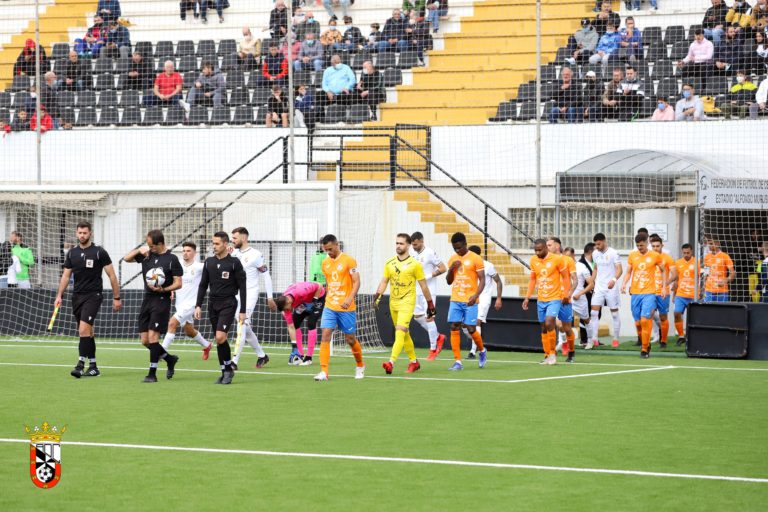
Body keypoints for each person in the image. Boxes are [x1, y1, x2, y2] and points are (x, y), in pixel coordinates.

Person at [54, 221, 121, 378]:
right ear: (76, 233)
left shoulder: (99, 252)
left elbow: (112, 275)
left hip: (93, 295)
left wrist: (116, 297)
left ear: (90, 233)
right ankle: (94, 367)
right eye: (80, 233)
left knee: (83, 329)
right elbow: (65, 276)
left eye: (85, 233)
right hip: (77, 296)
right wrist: (59, 295)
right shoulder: (72, 253)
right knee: (88, 332)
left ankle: (79, 365)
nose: (82, 235)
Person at [124, 230, 183, 383]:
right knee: (145, 341)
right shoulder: (147, 255)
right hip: (147, 299)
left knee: (153, 337)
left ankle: (152, 373)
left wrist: (164, 289)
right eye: (148, 245)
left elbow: (178, 283)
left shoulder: (171, 259)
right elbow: (126, 259)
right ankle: (169, 359)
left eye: (152, 246)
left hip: (161, 299)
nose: (150, 248)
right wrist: (139, 249)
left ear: (160, 243)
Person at [375, 233, 436, 375]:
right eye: (397, 243)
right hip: (393, 303)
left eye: (401, 243)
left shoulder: (415, 265)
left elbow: (424, 286)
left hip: (408, 302)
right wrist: (377, 297)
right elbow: (384, 281)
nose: (398, 246)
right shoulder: (390, 263)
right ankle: (414, 362)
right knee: (404, 333)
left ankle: (391, 362)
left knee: (400, 331)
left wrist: (430, 305)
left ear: (408, 245)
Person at [194, 232, 247, 385]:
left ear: (225, 244)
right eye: (213, 243)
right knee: (220, 340)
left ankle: (228, 369)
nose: (214, 246)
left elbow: (242, 287)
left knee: (220, 337)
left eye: (217, 244)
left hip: (228, 303)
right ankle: (225, 370)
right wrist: (198, 305)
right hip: (212, 304)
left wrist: (243, 310)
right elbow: (203, 285)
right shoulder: (209, 262)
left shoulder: (234, 263)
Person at [315, 234, 366, 381]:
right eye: (326, 250)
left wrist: (349, 299)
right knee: (325, 334)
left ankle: (360, 365)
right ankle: (324, 372)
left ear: (337, 245)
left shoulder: (349, 260)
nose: (328, 252)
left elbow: (356, 281)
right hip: (330, 305)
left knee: (350, 339)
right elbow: (329, 283)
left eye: (330, 249)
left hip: (346, 307)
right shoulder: (325, 263)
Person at [230, 227, 276, 370]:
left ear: (244, 238)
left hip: (250, 294)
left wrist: (270, 297)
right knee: (245, 326)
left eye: (235, 238)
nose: (233, 240)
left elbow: (266, 275)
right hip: (235, 294)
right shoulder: (233, 253)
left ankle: (234, 361)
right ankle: (262, 355)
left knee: (242, 324)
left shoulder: (256, 255)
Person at [160, 242, 213, 359]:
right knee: (189, 331)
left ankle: (161, 353)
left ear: (194, 253)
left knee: (172, 323)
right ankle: (207, 345)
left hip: (191, 304)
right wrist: (171, 290)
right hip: (180, 303)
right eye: (184, 250)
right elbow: (173, 280)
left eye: (188, 251)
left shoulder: (199, 267)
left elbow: (215, 268)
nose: (185, 253)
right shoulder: (177, 265)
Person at [522, 239, 570, 365]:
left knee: (550, 322)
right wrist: (527, 297)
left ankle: (553, 354)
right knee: (543, 327)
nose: (538, 252)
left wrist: (566, 294)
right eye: (535, 250)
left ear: (546, 248)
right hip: (541, 299)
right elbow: (532, 279)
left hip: (555, 297)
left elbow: (566, 277)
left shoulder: (557, 259)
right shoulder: (533, 260)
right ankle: (547, 355)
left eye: (540, 250)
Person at [621, 233, 667, 359]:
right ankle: (645, 342)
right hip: (635, 293)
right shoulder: (632, 255)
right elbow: (628, 272)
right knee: (637, 323)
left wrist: (663, 287)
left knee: (645, 320)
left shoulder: (655, 256)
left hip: (649, 293)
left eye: (641, 245)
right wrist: (624, 283)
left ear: (647, 243)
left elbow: (663, 271)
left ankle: (644, 349)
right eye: (637, 246)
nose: (639, 248)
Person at [445, 232, 487, 370]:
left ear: (465, 244)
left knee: (471, 328)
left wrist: (475, 296)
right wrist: (451, 268)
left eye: (459, 247)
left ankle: (482, 350)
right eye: (454, 248)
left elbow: (482, 280)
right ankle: (458, 362)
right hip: (455, 299)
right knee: (454, 326)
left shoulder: (475, 258)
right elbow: (449, 281)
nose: (457, 250)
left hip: (470, 300)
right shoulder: (452, 259)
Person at [409, 232, 446, 360]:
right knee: (418, 317)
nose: (414, 247)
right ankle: (438, 337)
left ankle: (433, 349)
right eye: (412, 245)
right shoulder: (412, 253)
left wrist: (428, 276)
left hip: (429, 290)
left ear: (421, 241)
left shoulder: (430, 252)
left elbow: (443, 268)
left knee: (429, 318)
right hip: (415, 290)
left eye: (416, 244)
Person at [465, 246, 502, 360]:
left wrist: (499, 298)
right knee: (465, 325)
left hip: (484, 297)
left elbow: (498, 281)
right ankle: (478, 343)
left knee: (477, 322)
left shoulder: (488, 266)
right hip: (471, 297)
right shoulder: (467, 265)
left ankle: (473, 351)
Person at [275, 281, 326, 365]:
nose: (286, 311)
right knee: (295, 323)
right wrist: (294, 346)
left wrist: (314, 300)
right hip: (304, 302)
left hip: (318, 296)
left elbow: (319, 285)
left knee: (311, 323)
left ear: (288, 302)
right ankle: (300, 355)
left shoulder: (301, 291)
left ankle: (309, 357)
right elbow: (291, 327)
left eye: (286, 309)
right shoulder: (285, 304)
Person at [589, 233, 622, 349]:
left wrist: (614, 279)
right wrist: (591, 281)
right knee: (593, 313)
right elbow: (595, 268)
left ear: (604, 241)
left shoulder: (613, 253)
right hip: (599, 287)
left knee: (614, 313)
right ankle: (594, 338)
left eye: (599, 244)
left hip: (611, 287)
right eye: (595, 244)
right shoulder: (594, 254)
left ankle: (616, 338)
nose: (597, 246)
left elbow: (619, 269)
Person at [547, 237, 577, 362]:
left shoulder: (568, 260)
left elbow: (575, 280)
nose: (547, 247)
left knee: (566, 327)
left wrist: (569, 294)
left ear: (557, 246)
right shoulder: (546, 260)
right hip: (552, 298)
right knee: (549, 323)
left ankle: (571, 352)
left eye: (549, 245)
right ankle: (550, 353)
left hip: (565, 299)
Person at [649, 235, 676, 349]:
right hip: (650, 292)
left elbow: (675, 275)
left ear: (662, 246)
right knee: (648, 315)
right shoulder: (648, 258)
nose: (655, 248)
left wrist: (666, 284)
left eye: (657, 246)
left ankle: (663, 340)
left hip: (663, 293)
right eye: (653, 246)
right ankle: (645, 341)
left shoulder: (667, 258)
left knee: (663, 317)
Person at [568, 246, 596, 349]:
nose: (566, 259)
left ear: (573, 255)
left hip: (579, 298)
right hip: (567, 299)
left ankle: (590, 341)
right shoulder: (562, 266)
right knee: (562, 321)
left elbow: (591, 284)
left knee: (586, 320)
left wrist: (580, 293)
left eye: (568, 256)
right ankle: (564, 343)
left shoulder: (581, 267)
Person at [670, 243, 698, 346]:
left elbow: (702, 278)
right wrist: (674, 295)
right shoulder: (678, 263)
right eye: (684, 252)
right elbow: (676, 280)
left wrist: (700, 294)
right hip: (680, 295)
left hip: (693, 295)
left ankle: (693, 337)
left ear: (692, 252)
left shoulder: (697, 262)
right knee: (677, 314)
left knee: (694, 317)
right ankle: (681, 336)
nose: (686, 254)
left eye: (688, 252)